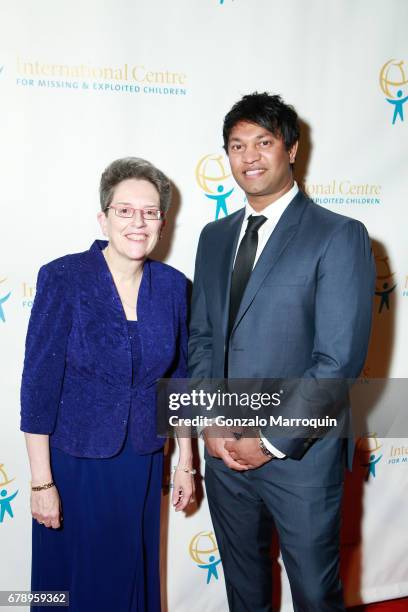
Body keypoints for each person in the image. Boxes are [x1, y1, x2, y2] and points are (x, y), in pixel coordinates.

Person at [188, 93, 375, 611]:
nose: (249, 156)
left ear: (291, 149)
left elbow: (338, 362)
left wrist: (269, 441)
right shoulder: (213, 238)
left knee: (315, 594)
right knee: (244, 593)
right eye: (237, 145)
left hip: (301, 458)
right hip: (224, 453)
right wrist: (211, 424)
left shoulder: (338, 236)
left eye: (263, 142)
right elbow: (202, 337)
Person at [20, 157, 194, 612]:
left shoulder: (174, 287)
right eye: (125, 210)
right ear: (103, 218)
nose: (139, 222)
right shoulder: (63, 277)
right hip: (75, 465)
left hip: (141, 461)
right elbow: (38, 386)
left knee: (131, 582)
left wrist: (186, 462)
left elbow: (180, 382)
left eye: (151, 212)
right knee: (75, 588)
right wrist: (42, 484)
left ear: (162, 221)